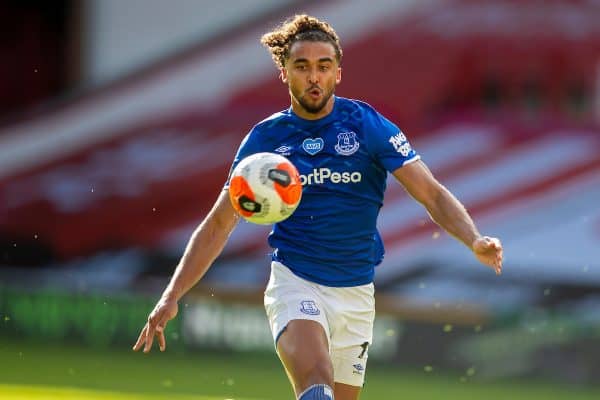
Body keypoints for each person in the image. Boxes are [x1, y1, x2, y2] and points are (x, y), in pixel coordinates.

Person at [133, 14, 503, 400]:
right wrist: (172, 294)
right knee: (316, 381)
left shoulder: (367, 126)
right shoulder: (265, 140)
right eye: (302, 66)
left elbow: (432, 193)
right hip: (296, 280)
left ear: (338, 73)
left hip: (357, 292)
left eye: (323, 67)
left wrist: (473, 239)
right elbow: (218, 224)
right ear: (284, 73)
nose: (314, 77)